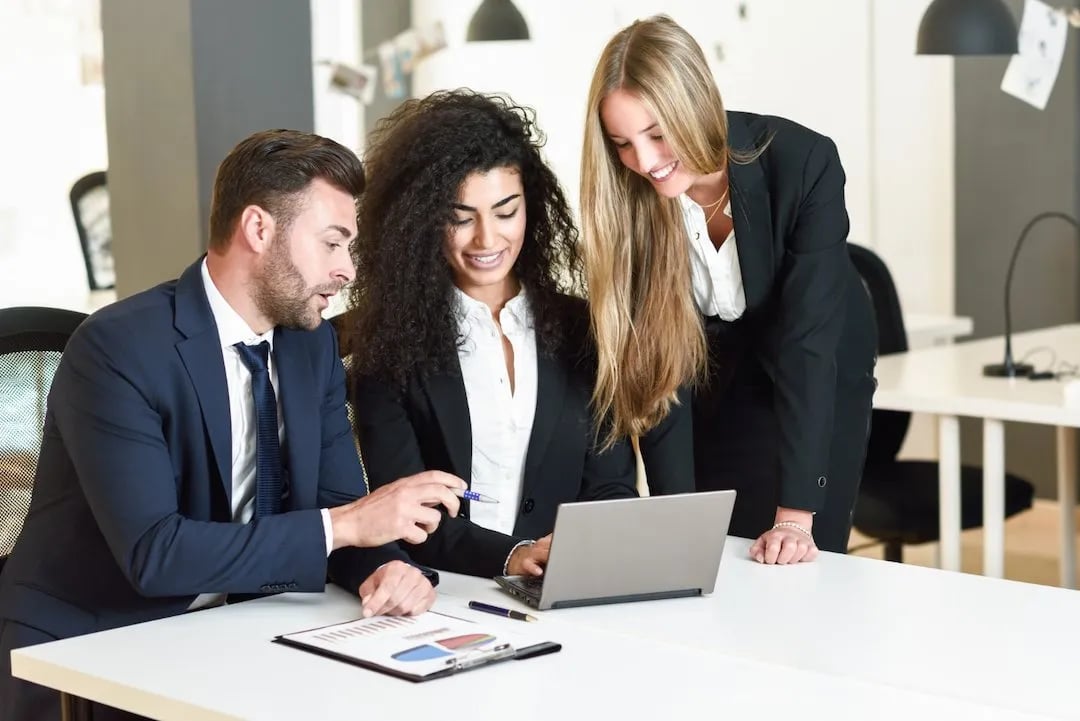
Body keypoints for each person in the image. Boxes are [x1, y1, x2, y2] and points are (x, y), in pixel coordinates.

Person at [0, 129, 466, 721]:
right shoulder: (118, 348)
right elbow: (156, 553)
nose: (347, 270)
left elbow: (334, 507)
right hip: (91, 647)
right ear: (259, 229)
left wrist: (386, 568)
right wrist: (348, 525)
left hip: (231, 631)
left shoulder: (308, 345)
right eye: (331, 244)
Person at [580, 15, 877, 565]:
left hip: (816, 360)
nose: (644, 163)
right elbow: (660, 364)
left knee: (796, 553)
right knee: (706, 545)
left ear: (694, 106)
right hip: (711, 366)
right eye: (622, 143)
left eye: (656, 133)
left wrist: (794, 516)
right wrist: (675, 517)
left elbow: (807, 348)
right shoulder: (633, 199)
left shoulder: (803, 162)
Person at [341, 90, 646, 580]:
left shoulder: (581, 328)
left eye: (506, 212)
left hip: (566, 586)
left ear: (533, 206)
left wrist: (574, 550)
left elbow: (611, 485)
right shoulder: (388, 346)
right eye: (460, 218)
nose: (487, 239)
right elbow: (403, 512)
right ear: (420, 223)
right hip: (442, 591)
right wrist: (511, 556)